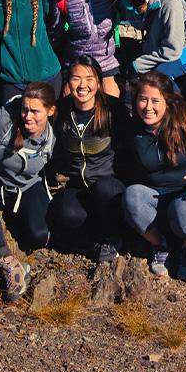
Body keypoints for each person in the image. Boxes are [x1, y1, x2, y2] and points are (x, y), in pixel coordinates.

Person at [122, 71, 186, 279]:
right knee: (132, 196)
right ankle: (160, 245)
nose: (148, 107)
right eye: (142, 99)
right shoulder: (133, 129)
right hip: (155, 197)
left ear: (168, 100)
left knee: (184, 212)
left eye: (155, 100)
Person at [0, 83, 56, 302]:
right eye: (25, 109)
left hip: (28, 187)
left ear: (50, 111)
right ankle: (8, 263)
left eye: (35, 111)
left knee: (39, 236)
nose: (28, 116)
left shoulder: (53, 135)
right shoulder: (3, 119)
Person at [47, 57, 130, 263]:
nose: (82, 85)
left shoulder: (113, 109)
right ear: (68, 83)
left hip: (108, 183)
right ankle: (93, 239)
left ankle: (111, 238)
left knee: (105, 190)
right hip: (77, 184)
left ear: (99, 82)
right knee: (66, 213)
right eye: (76, 78)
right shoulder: (62, 110)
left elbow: (128, 148)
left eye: (89, 78)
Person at [49, 0, 121, 97]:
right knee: (69, 101)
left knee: (112, 100)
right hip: (76, 63)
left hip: (105, 63)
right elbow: (57, 34)